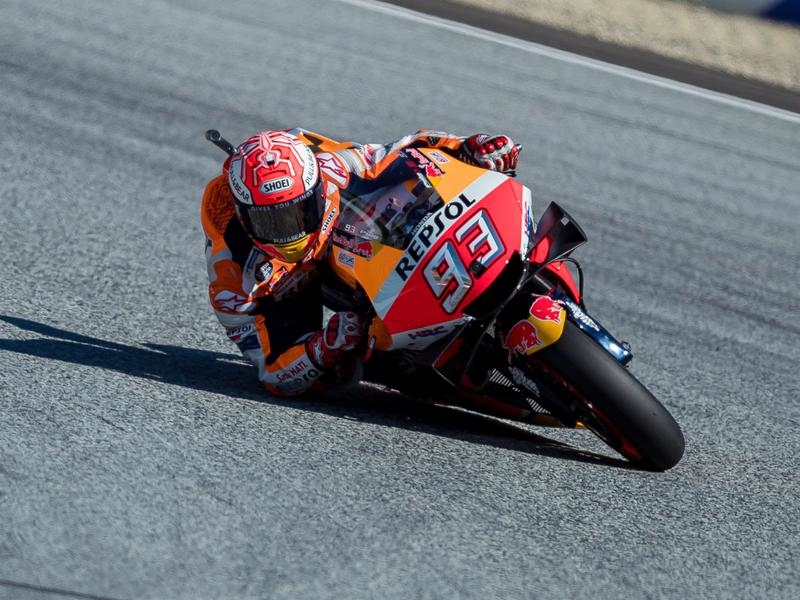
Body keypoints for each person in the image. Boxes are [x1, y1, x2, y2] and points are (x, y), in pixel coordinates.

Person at [201, 128, 520, 396]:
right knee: (332, 373)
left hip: (348, 225)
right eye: (270, 223)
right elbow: (271, 370)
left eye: (297, 213)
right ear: (244, 216)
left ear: (316, 191)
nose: (288, 232)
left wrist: (470, 149)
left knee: (407, 191)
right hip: (290, 282)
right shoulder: (231, 267)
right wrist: (321, 349)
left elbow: (405, 151)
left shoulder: (333, 167)